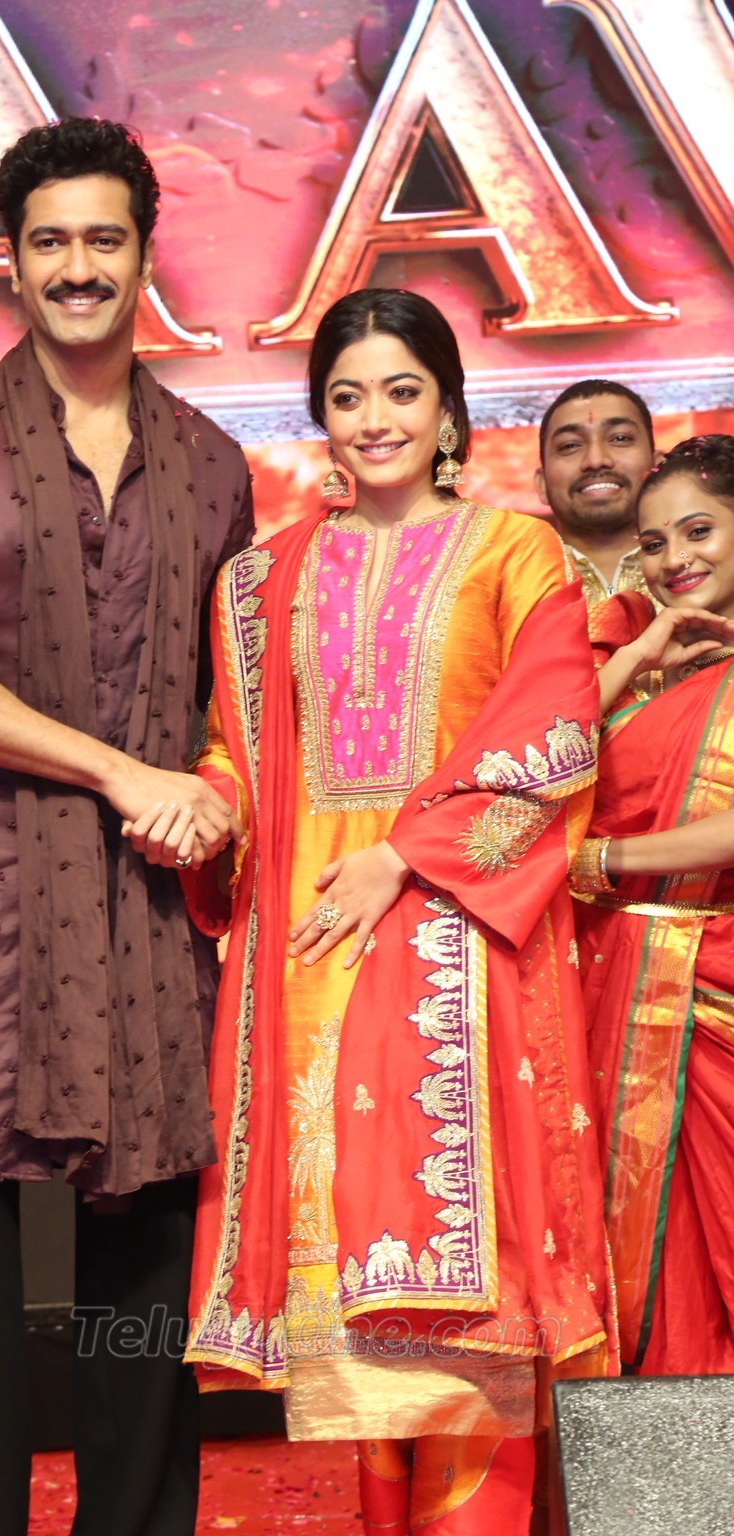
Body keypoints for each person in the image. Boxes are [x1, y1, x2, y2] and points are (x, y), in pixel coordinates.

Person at [0, 117, 253, 1536]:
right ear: (12, 265)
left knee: (141, 1245)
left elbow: (231, 693)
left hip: (143, 902)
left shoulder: (211, 463)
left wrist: (209, 787)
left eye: (103, 239)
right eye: (50, 242)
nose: (78, 267)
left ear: (143, 257)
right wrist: (117, 772)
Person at [178, 288, 612, 1536]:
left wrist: (403, 858)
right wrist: (203, 808)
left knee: (467, 1330)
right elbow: (241, 756)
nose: (374, 419)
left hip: (458, 955)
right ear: (320, 413)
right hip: (308, 962)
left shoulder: (514, 553)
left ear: (449, 412)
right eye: (347, 395)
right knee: (357, 1355)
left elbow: (552, 738)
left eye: (401, 392)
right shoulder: (258, 582)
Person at [571, 433, 734, 1374]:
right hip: (615, 994)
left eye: (699, 531)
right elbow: (536, 755)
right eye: (656, 542)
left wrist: (604, 860)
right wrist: (636, 657)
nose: (677, 559)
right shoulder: (647, 661)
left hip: (711, 989)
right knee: (644, 1274)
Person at [535, 378, 657, 608]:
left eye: (620, 438)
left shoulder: (704, 570)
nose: (596, 460)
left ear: (658, 467)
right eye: (570, 445)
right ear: (542, 484)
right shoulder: (511, 585)